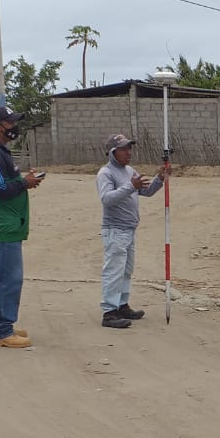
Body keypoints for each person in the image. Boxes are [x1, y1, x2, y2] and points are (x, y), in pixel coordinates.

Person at [0, 105, 44, 348]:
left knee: (7, 276)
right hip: (3, 222)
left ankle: (2, 324)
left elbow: (7, 182)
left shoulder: (1, 151)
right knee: (7, 278)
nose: (14, 127)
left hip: (10, 221)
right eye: (10, 122)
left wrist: (25, 180)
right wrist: (24, 183)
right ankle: (0, 331)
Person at [96, 133, 169, 329]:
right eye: (123, 149)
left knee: (126, 271)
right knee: (114, 271)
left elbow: (146, 191)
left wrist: (159, 178)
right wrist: (130, 186)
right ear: (113, 152)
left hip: (129, 229)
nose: (128, 152)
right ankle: (109, 312)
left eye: (129, 148)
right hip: (115, 229)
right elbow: (106, 199)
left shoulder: (129, 171)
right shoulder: (106, 173)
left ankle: (122, 304)